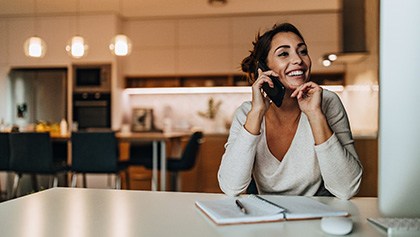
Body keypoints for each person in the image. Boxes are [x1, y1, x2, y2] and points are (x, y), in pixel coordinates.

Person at [217, 23, 362, 200]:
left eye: (302, 51)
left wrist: (315, 115)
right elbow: (230, 187)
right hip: (265, 217)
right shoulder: (247, 113)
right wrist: (256, 113)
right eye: (284, 53)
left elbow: (347, 188)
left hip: (315, 216)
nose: (298, 60)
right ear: (263, 68)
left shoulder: (327, 103)